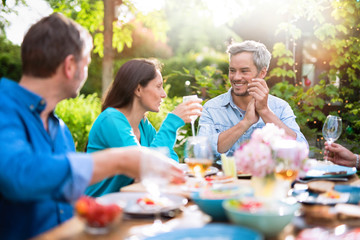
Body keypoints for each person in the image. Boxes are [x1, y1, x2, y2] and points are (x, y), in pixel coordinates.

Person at [0, 13, 184, 240]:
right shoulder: (4, 106)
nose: (86, 73)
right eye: (86, 63)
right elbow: (19, 175)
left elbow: (66, 205)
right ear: (70, 66)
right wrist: (121, 160)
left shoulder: (60, 130)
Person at [85, 58, 202, 197]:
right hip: (100, 207)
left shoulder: (143, 125)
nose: (163, 94)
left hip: (131, 202)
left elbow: (168, 163)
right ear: (138, 89)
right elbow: (145, 167)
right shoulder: (111, 119)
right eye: (158, 86)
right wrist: (171, 123)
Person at [198, 40, 308, 158]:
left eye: (244, 71)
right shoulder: (212, 108)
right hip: (225, 176)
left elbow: (301, 151)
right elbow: (199, 153)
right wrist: (245, 123)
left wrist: (265, 112)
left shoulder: (280, 107)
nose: (236, 77)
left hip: (266, 176)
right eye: (232, 70)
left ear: (262, 73)